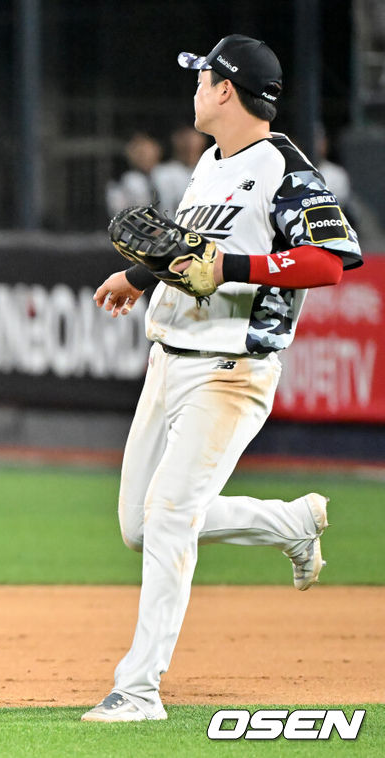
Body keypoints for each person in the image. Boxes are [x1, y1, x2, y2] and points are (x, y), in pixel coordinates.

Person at [85, 35, 362, 722]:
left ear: (226, 90)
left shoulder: (284, 169)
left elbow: (331, 260)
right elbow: (188, 252)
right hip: (168, 358)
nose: (195, 88)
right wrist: (140, 275)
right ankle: (289, 523)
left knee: (171, 516)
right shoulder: (209, 165)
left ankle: (139, 689)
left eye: (202, 77)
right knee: (138, 527)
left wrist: (237, 270)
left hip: (231, 368)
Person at [151, 125, 210, 214]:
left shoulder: (215, 171)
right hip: (169, 225)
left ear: (203, 139)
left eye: (193, 135)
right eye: (184, 135)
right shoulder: (160, 173)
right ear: (174, 139)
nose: (189, 141)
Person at [105, 132, 164, 216]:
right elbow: (121, 216)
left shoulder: (173, 173)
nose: (142, 153)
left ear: (157, 148)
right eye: (135, 148)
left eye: (145, 147)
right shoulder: (120, 183)